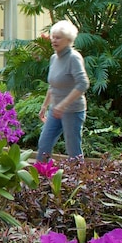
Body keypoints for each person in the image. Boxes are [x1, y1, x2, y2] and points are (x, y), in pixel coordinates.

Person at [37, 20, 89, 161]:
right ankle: (41, 177)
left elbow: (83, 84)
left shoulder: (74, 58)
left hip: (73, 110)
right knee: (44, 144)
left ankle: (79, 180)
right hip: (55, 110)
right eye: (53, 36)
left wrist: (63, 105)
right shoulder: (54, 58)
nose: (54, 40)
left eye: (58, 37)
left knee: (73, 150)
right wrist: (45, 105)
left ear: (68, 40)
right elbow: (53, 85)